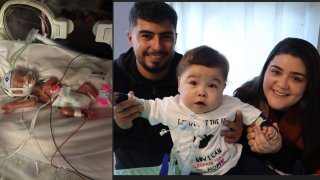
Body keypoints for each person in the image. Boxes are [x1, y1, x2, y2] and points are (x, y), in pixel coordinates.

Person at [113, 2, 244, 171]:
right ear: (130, 38)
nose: (157, 46)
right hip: (134, 168)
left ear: (175, 37)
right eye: (147, 36)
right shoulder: (113, 77)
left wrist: (232, 130)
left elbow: (217, 111)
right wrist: (119, 127)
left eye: (166, 36)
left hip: (189, 168)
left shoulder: (194, 73)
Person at [115, 45, 280, 175]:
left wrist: (267, 127)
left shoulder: (230, 104)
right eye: (193, 83)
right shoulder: (171, 106)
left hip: (233, 162)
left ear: (223, 88)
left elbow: (253, 115)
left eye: (212, 85)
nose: (202, 91)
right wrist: (123, 98)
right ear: (179, 84)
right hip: (191, 171)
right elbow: (145, 105)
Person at [234, 37, 320, 175]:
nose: (282, 84)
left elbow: (308, 168)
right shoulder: (243, 97)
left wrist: (276, 150)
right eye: (276, 72)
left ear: (310, 84)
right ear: (265, 69)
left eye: (296, 78)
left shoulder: (315, 117)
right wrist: (235, 136)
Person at [1, 69, 99, 119]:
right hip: (71, 106)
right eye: (21, 82)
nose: (25, 78)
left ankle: (105, 98)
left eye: (23, 75)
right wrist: (13, 105)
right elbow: (31, 102)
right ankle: (84, 113)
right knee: (64, 112)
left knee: (87, 86)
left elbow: (54, 79)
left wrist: (48, 83)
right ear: (19, 92)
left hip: (77, 95)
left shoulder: (42, 82)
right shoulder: (33, 96)